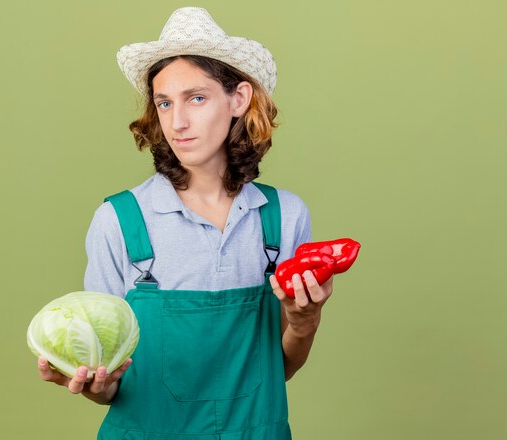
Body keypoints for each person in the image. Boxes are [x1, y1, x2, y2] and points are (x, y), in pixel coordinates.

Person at [37, 7, 334, 439]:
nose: (177, 122)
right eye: (164, 102)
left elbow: (277, 369)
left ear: (239, 99)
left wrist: (305, 321)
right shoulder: (120, 221)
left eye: (196, 98)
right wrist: (92, 384)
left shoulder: (284, 217)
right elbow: (109, 381)